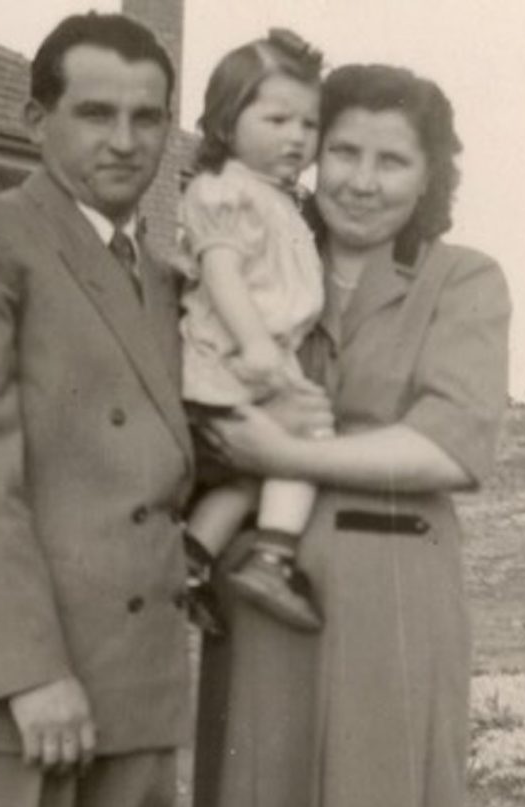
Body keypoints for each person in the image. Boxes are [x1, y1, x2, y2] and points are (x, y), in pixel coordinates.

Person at [193, 63, 512, 807]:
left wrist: (284, 456)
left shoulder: (462, 281)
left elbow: (449, 446)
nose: (362, 182)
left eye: (393, 160)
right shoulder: (251, 269)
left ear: (431, 175)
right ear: (309, 154)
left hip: (393, 600)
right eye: (343, 152)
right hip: (260, 596)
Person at [0, 14, 194, 807]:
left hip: (135, 700)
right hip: (9, 705)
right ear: (36, 121)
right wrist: (29, 672)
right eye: (96, 113)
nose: (126, 140)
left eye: (148, 117)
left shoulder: (169, 284)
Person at [179, 29, 329, 634]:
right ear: (224, 123)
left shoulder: (280, 201)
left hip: (254, 357)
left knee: (250, 474)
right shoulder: (226, 193)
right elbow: (221, 271)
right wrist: (258, 345)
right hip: (236, 357)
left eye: (309, 124)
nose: (296, 137)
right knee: (310, 438)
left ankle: (189, 562)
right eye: (277, 119)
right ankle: (273, 558)